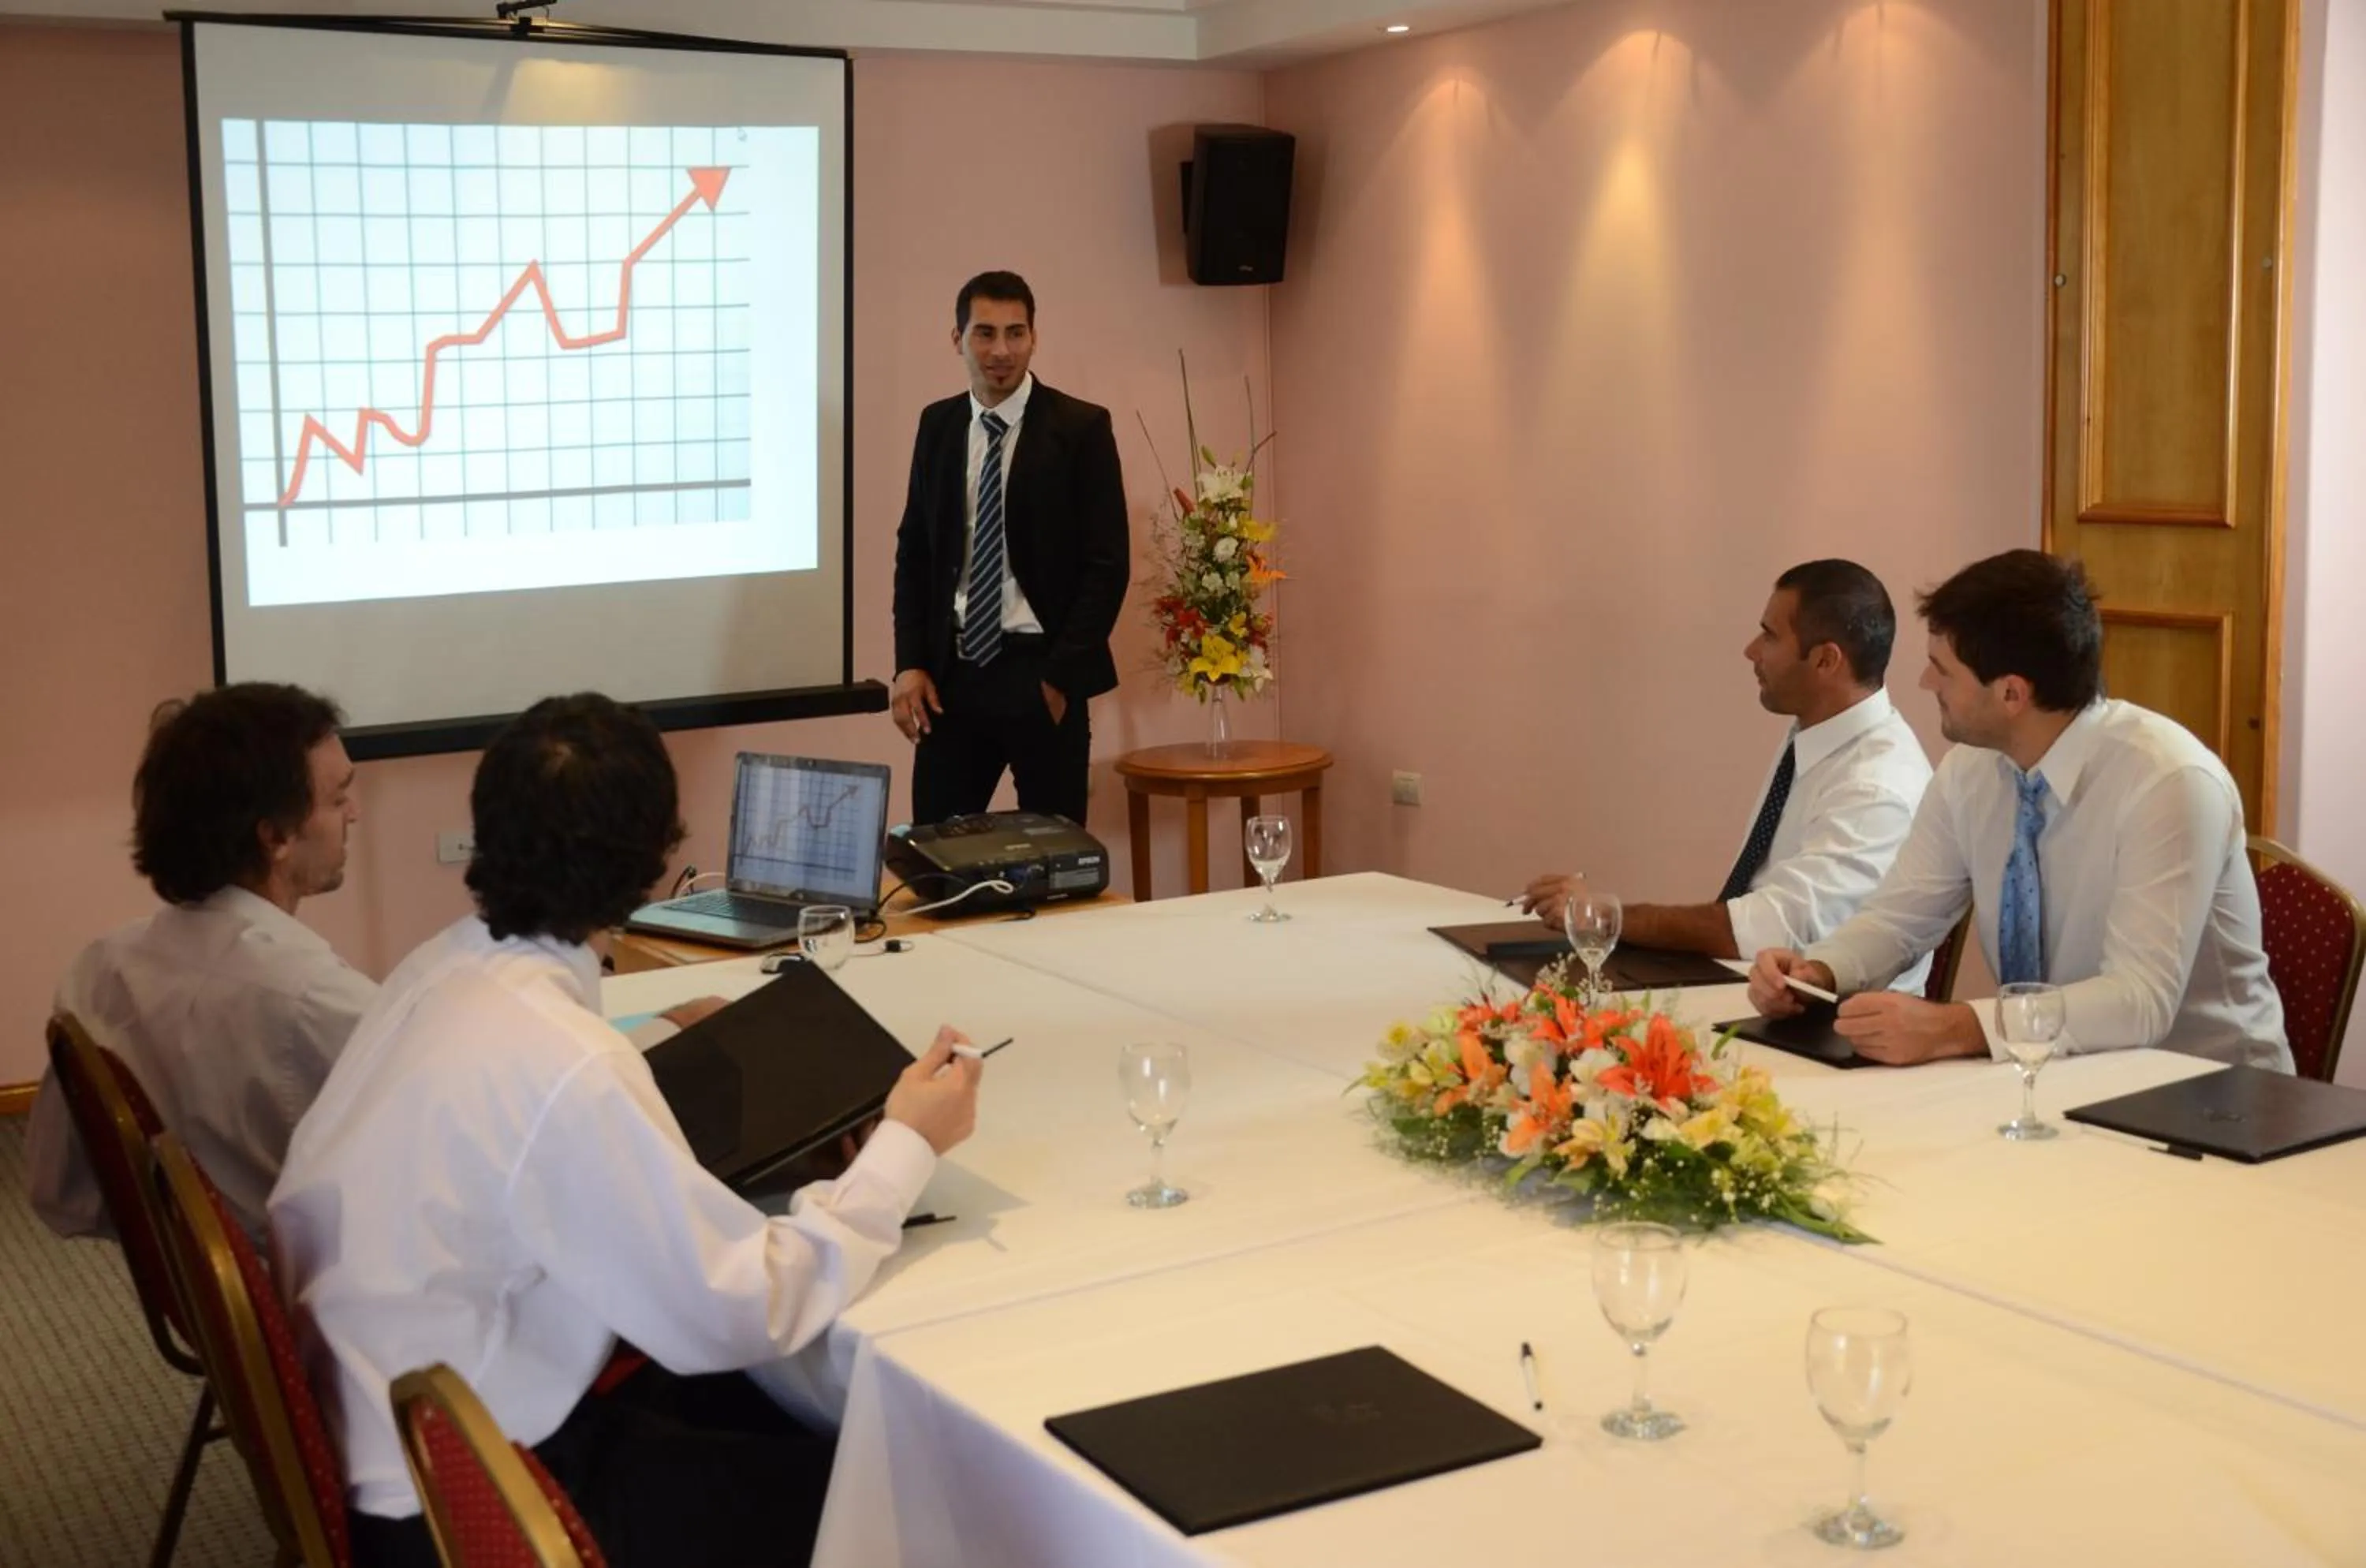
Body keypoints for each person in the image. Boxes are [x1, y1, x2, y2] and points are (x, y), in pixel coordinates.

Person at [270, 693, 984, 1568]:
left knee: (755, 1410)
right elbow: (737, 1307)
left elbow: (537, 1115)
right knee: (898, 1489)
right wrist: (903, 1146)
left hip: (402, 1423)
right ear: (652, 859)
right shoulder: (565, 1063)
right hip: (475, 1498)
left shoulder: (443, 965)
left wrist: (650, 1043)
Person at [1748, 550, 2290, 1071]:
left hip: (2208, 1097)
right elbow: (1898, 919)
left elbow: (2139, 1001)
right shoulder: (1971, 771)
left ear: (2011, 694)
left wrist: (1955, 1028)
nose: (1924, 682)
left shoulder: (2168, 782)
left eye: (1943, 670)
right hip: (2056, 1081)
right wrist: (1820, 970)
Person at [27, 683, 375, 1241]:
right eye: (337, 799)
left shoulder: (97, 970)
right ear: (276, 836)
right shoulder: (319, 1004)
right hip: (318, 1307)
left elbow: (56, 1191)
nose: (353, 814)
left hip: (214, 1306)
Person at [1523, 560, 1933, 986]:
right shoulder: (1814, 736)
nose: (1751, 650)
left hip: (1835, 1026)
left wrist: (1607, 916)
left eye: (1770, 636)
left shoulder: (1875, 786)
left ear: (1826, 661)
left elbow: (1773, 929)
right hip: (1760, 990)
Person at [890, 270, 1129, 827]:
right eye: (985, 333)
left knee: (1056, 866)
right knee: (937, 858)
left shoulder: (1081, 428)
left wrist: (1059, 678)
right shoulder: (939, 426)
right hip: (954, 676)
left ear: (1034, 337)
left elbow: (1107, 565)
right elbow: (915, 554)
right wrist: (910, 664)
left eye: (1016, 333)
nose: (1002, 351)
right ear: (958, 339)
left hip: (1041, 673)